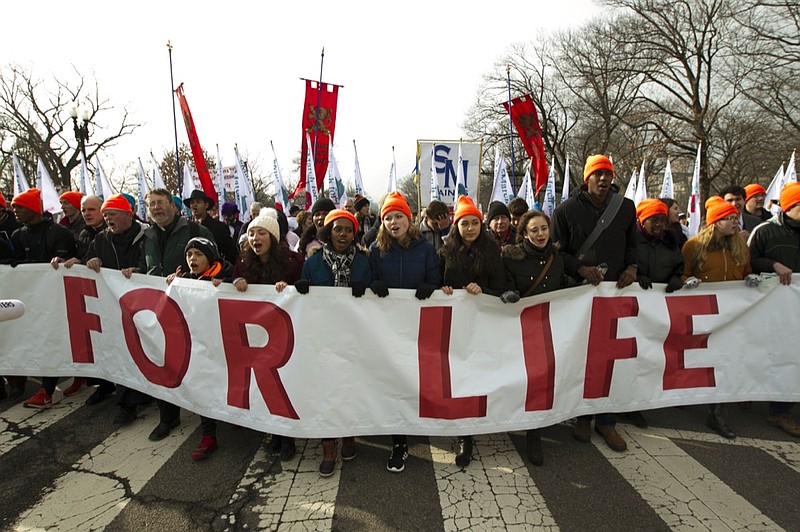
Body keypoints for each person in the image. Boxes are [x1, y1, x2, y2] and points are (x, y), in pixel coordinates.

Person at [552, 154, 638, 453]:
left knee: (611, 358)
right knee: (582, 358)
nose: (603, 179)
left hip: (615, 295)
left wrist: (633, 267)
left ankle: (607, 420)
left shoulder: (625, 208)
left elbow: (633, 244)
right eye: (598, 174)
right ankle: (581, 416)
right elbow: (557, 252)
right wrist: (578, 268)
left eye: (608, 174)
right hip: (582, 296)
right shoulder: (566, 211)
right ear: (586, 178)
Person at [128, 188, 215, 442]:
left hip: (192, 313)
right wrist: (137, 271)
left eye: (161, 203)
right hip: (158, 312)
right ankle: (168, 417)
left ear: (174, 207)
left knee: (196, 364)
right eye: (151, 204)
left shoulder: (197, 231)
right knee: (160, 362)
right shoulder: (146, 236)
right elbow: (146, 267)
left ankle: (208, 424)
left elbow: (218, 264)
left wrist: (188, 279)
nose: (156, 208)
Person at [296, 209, 371, 476]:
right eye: (338, 229)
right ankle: (329, 447)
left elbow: (376, 305)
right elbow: (300, 300)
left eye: (348, 230)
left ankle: (349, 435)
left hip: (353, 338)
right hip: (322, 339)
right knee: (325, 391)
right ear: (329, 232)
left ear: (354, 234)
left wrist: (373, 288)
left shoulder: (363, 261)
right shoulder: (313, 263)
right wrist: (301, 287)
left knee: (350, 389)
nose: (343, 234)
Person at [368, 191, 440, 473]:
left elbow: (436, 279)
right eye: (388, 217)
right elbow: (369, 275)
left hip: (417, 325)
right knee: (393, 380)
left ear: (409, 220)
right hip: (387, 328)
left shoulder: (425, 250)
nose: (393, 222)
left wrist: (429, 287)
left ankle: (419, 421)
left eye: (399, 216)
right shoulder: (376, 249)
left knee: (417, 378)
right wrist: (374, 283)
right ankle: (399, 442)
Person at [503, 209, 578, 465]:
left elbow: (567, 282)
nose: (540, 234)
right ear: (524, 233)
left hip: (548, 328)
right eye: (533, 230)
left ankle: (533, 433)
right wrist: (508, 293)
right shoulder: (510, 258)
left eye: (543, 229)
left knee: (540, 381)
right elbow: (504, 284)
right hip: (518, 328)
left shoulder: (557, 258)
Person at [439, 196, 506, 468]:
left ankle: (469, 432)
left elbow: (501, 288)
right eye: (464, 223)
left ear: (481, 224)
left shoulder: (492, 252)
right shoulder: (445, 252)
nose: (469, 228)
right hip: (454, 327)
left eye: (474, 223)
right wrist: (441, 289)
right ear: (457, 226)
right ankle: (457, 425)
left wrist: (483, 290)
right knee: (455, 376)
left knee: (475, 376)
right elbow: (436, 282)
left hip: (482, 326)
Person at [232, 211, 303, 460]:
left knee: (285, 383)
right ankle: (273, 432)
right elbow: (232, 276)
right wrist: (236, 279)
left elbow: (305, 289)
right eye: (251, 233)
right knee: (265, 385)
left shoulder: (293, 261)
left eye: (261, 233)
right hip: (258, 335)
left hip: (286, 334)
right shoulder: (244, 260)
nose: (255, 238)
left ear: (273, 237)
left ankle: (288, 437)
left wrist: (290, 288)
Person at [681, 197, 752, 439]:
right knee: (697, 357)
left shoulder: (741, 247)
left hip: (730, 316)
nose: (735, 222)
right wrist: (686, 284)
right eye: (729, 218)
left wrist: (752, 281)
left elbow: (747, 272)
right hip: (701, 314)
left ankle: (717, 412)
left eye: (735, 218)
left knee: (725, 362)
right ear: (715, 223)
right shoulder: (692, 247)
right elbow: (680, 276)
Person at [166, 237, 233, 459]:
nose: (192, 259)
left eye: (199, 254)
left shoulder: (228, 275)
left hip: (226, 343)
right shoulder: (186, 280)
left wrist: (228, 285)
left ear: (211, 257)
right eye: (189, 255)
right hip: (201, 345)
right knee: (204, 384)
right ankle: (208, 435)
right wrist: (174, 285)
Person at [9, 189, 77, 408]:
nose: (14, 211)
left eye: (19, 206)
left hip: (57, 298)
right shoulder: (17, 235)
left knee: (52, 340)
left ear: (31, 208)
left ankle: (46, 391)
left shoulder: (60, 233)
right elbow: (16, 265)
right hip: (30, 299)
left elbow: (72, 262)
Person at [626, 198, 685, 428]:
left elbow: (679, 266)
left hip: (660, 310)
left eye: (663, 219)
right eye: (654, 220)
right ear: (642, 220)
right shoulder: (631, 243)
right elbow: (624, 264)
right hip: (634, 310)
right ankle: (630, 405)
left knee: (654, 355)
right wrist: (635, 274)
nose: (660, 225)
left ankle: (644, 399)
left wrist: (675, 278)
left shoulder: (672, 242)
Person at [747, 182, 800, 438]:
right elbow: (747, 262)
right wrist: (773, 264)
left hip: (796, 307)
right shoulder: (764, 231)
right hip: (771, 306)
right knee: (771, 352)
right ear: (791, 206)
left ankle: (782, 408)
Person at [184, 189, 238, 264]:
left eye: (198, 202)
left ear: (206, 205)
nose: (194, 205)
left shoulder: (219, 227)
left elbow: (231, 254)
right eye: (192, 202)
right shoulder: (185, 226)